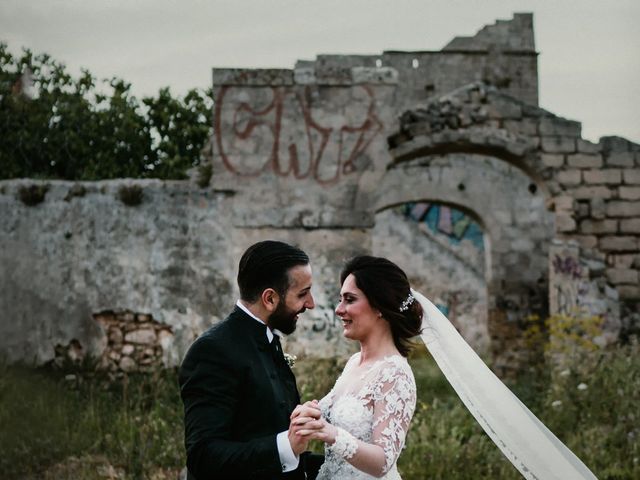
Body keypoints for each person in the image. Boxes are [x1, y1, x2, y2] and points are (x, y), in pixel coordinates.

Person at [179, 240, 323, 480]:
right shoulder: (213, 351)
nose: (310, 303)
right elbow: (203, 456)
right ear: (269, 299)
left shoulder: (269, 340)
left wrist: (352, 463)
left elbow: (264, 436)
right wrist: (286, 445)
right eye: (302, 294)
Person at [292, 255, 422, 479]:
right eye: (340, 299)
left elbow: (383, 462)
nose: (338, 309)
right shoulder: (354, 362)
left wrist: (331, 434)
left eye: (349, 300)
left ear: (379, 306)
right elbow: (328, 415)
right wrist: (308, 414)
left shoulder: (395, 373)